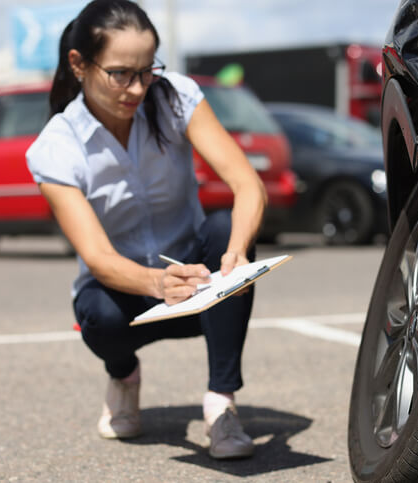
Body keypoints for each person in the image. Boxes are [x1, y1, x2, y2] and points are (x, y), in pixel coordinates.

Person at [26, 0, 266, 460]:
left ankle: (221, 404)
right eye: (120, 73)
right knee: (98, 316)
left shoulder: (174, 95)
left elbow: (247, 184)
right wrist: (158, 283)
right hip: (127, 292)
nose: (137, 88)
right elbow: (97, 257)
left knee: (222, 229)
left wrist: (236, 254)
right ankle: (124, 375)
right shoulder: (55, 147)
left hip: (197, 281)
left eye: (146, 70)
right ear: (79, 64)